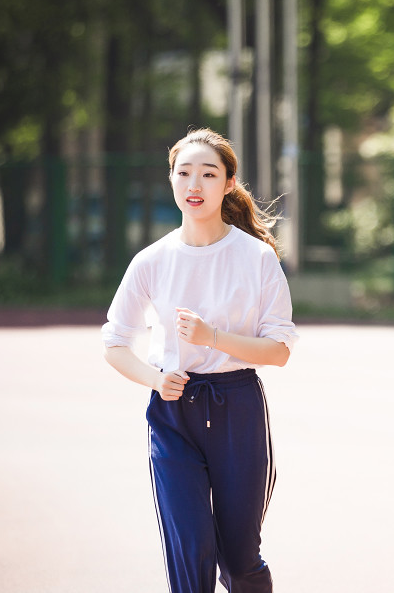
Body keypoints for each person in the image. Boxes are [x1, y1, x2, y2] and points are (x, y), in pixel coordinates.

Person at [102, 127, 298, 592]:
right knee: (191, 551)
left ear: (229, 183)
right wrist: (155, 378)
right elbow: (114, 342)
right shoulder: (151, 261)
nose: (195, 185)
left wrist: (214, 337)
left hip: (238, 409)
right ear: (170, 179)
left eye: (208, 174)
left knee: (240, 558)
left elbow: (280, 350)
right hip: (173, 413)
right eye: (184, 173)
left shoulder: (256, 258)